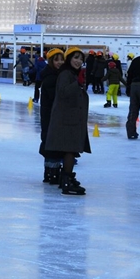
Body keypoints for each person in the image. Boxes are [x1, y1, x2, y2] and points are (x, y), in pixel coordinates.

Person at [45, 47, 90, 195]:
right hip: (66, 120)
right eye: (75, 58)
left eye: (81, 59)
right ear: (69, 58)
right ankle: (66, 180)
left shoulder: (71, 73)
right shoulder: (66, 74)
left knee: (71, 151)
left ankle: (67, 178)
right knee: (70, 150)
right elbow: (63, 92)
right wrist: (77, 83)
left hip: (71, 118)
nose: (78, 61)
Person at [39, 48, 65, 185]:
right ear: (50, 61)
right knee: (52, 144)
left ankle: (50, 173)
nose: (60, 62)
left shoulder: (55, 75)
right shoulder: (52, 78)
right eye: (56, 60)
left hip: (51, 116)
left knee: (51, 144)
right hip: (51, 117)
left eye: (62, 59)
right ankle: (52, 174)